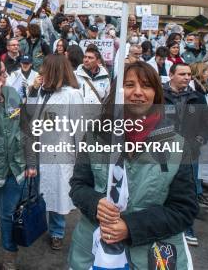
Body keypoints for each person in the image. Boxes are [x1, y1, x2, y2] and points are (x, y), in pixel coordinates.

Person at [68, 61, 198, 269]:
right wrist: (95, 203)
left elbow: (184, 209)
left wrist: (130, 227)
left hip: (152, 255)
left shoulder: (177, 144)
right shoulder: (95, 135)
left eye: (146, 85)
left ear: (156, 93)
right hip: (95, 252)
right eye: (129, 85)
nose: (138, 92)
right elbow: (78, 186)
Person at [0, 56, 36, 270]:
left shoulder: (12, 93)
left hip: (15, 168)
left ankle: (9, 254)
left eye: (4, 72)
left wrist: (30, 162)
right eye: (1, 72)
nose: (5, 75)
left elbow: (25, 129)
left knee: (8, 214)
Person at [29, 54, 83, 250]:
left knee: (57, 193)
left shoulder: (72, 94)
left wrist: (80, 156)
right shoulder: (43, 92)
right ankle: (37, 225)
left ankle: (57, 232)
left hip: (60, 151)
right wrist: (33, 90)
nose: (41, 72)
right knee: (38, 191)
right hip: (39, 148)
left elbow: (79, 127)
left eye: (44, 69)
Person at [162, 62, 208, 246]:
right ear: (171, 75)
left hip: (189, 151)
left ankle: (187, 229)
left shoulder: (197, 97)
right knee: (162, 188)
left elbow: (207, 123)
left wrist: (199, 140)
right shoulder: (160, 95)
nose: (187, 77)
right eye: (182, 74)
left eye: (189, 74)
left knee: (187, 191)